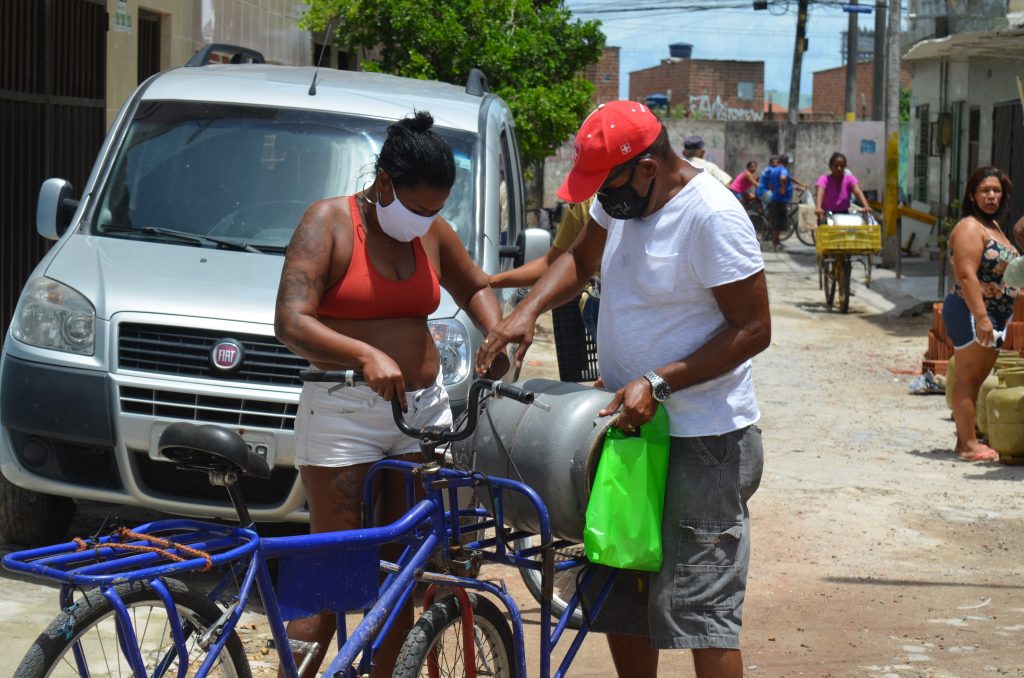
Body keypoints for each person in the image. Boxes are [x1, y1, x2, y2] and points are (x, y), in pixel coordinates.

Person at [476, 100, 771, 678]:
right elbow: (578, 259)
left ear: (648, 167)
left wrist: (659, 382)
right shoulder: (620, 204)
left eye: (606, 185)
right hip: (626, 434)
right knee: (620, 590)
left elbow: (754, 329)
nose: (601, 200)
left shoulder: (712, 216)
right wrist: (525, 312)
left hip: (702, 441)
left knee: (701, 609)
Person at [273, 111, 508, 676]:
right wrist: (363, 354)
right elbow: (290, 321)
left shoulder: (430, 231)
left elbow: (474, 285)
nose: (426, 219)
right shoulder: (327, 222)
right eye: (418, 207)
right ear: (383, 184)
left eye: (436, 209)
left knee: (402, 569)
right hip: (344, 411)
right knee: (332, 569)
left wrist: (497, 334)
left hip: (421, 415)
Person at [942, 165, 1018, 463]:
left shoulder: (994, 226)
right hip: (971, 312)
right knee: (968, 377)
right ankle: (967, 445)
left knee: (977, 377)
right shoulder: (970, 228)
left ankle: (965, 439)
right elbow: (966, 275)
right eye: (985, 190)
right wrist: (982, 317)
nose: (991, 196)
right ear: (972, 195)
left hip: (995, 313)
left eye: (996, 191)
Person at [490, 196, 600, 337]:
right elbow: (557, 263)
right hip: (599, 308)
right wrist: (490, 281)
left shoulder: (595, 201)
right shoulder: (587, 202)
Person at [814, 152, 874, 221]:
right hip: (827, 215)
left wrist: (866, 206)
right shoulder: (823, 179)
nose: (839, 168)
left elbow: (858, 192)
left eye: (842, 166)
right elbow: (820, 193)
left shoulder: (850, 179)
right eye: (836, 166)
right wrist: (818, 208)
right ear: (830, 166)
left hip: (844, 215)